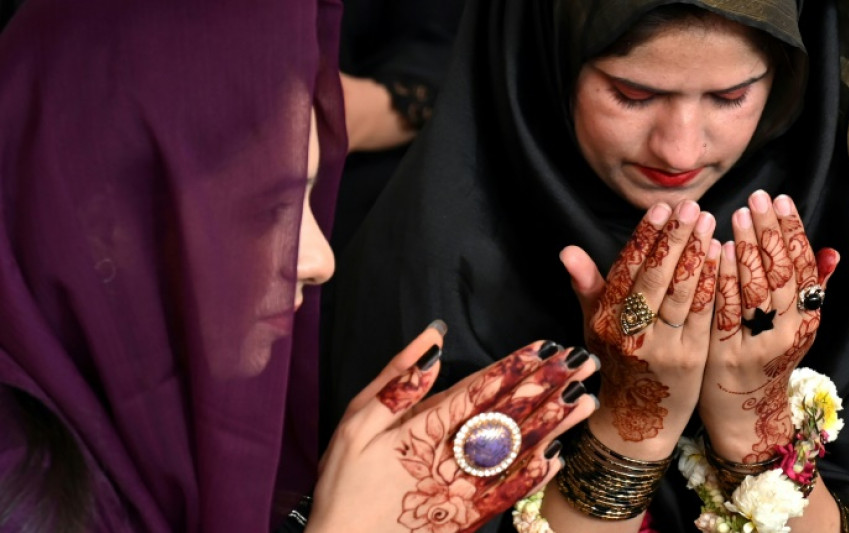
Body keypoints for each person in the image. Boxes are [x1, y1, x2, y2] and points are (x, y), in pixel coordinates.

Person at [324, 0, 849, 531]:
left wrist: (755, 430)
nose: (679, 148)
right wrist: (630, 425)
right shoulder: (425, 264)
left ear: (787, 81)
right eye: (632, 94)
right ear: (547, 64)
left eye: (731, 96)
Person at [0, 0, 599, 531]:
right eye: (269, 213)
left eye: (310, 201)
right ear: (102, 223)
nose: (321, 261)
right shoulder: (18, 472)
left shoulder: (184, 415)